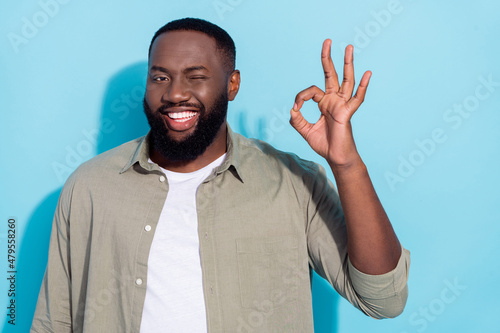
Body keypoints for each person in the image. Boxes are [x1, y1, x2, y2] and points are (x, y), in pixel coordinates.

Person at [31, 18, 410, 332]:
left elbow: (384, 299)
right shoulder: (91, 186)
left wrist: (346, 164)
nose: (175, 93)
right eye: (160, 77)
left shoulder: (294, 183)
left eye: (196, 76)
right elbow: (53, 322)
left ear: (232, 84)